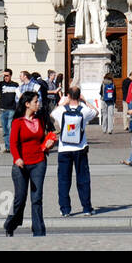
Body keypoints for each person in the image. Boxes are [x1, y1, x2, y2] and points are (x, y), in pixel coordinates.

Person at [5, 91, 52, 237]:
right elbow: (13, 144)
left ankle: (38, 230)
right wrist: (17, 158)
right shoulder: (17, 122)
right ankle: (10, 224)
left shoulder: (40, 120)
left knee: (37, 198)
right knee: (20, 197)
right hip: (21, 164)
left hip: (39, 162)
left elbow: (42, 140)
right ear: (27, 104)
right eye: (35, 101)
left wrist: (48, 144)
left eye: (38, 101)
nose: (38, 104)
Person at [51, 86, 98, 217]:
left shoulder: (61, 110)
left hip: (64, 148)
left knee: (64, 179)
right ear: (79, 96)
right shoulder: (84, 110)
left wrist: (63, 102)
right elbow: (96, 112)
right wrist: (85, 101)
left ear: (69, 96)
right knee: (83, 178)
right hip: (80, 147)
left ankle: (65, 209)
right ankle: (87, 208)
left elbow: (52, 114)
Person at [0, 68, 19, 152]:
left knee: (10, 128)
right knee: (5, 129)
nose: (6, 77)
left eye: (7, 76)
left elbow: (19, 95)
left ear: (11, 75)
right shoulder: (1, 84)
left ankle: (12, 146)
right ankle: (7, 147)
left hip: (11, 109)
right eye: (5, 76)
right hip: (3, 109)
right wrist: (0, 75)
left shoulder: (15, 84)